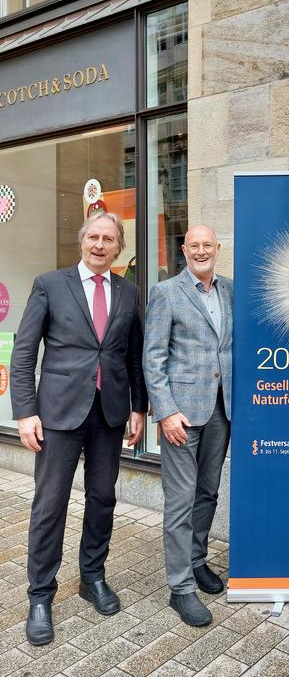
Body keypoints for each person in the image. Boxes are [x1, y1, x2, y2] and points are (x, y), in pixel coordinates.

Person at [10, 212, 148, 647]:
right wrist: (26, 411)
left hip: (108, 415)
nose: (100, 244)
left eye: (109, 238)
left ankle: (93, 576)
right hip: (58, 414)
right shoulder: (51, 285)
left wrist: (138, 408)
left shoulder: (128, 292)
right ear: (82, 242)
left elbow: (133, 356)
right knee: (49, 505)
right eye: (94, 236)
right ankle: (40, 596)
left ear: (118, 247)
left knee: (103, 499)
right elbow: (24, 351)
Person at [143, 225, 232, 627]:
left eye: (207, 245)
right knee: (180, 500)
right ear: (184, 250)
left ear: (217, 249)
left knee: (208, 492)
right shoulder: (166, 292)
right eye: (193, 245)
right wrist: (165, 411)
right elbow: (153, 358)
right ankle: (180, 588)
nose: (201, 251)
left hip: (221, 410)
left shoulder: (231, 290)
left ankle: (196, 560)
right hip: (180, 414)